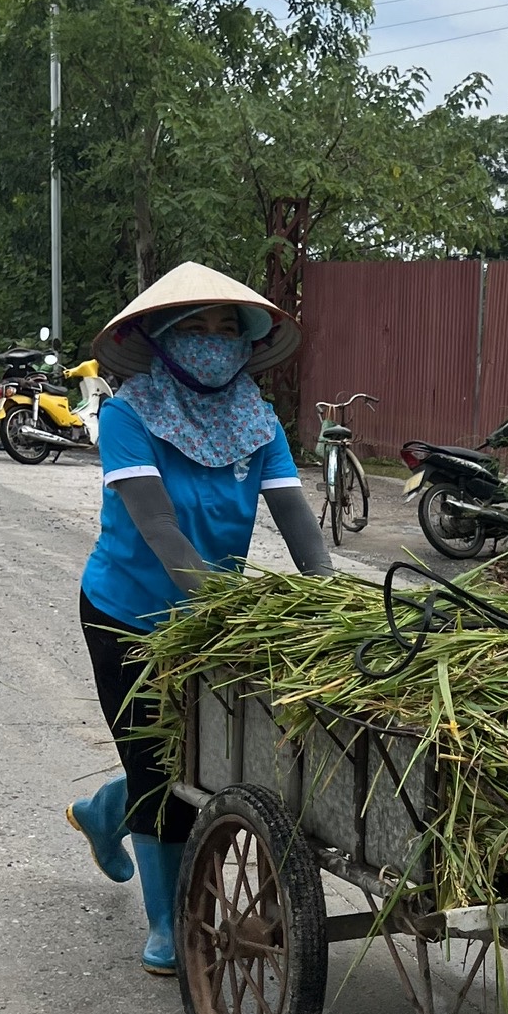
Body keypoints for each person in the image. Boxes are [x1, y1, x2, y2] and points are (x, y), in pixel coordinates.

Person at [68, 261, 332, 975]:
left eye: (227, 329)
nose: (214, 341)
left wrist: (332, 602)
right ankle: (166, 926)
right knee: (160, 771)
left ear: (248, 342)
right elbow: (156, 526)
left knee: (201, 759)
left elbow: (297, 523)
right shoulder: (129, 413)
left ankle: (103, 809)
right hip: (128, 612)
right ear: (160, 338)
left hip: (211, 618)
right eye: (195, 328)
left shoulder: (256, 418)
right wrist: (230, 610)